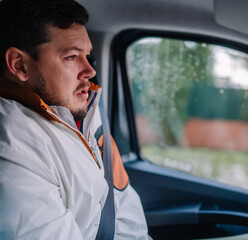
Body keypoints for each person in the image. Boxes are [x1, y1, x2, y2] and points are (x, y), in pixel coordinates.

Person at [0, 0, 149, 239]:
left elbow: (122, 208)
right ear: (20, 65)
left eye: (87, 55)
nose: (90, 71)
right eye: (71, 57)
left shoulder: (86, 112)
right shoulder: (11, 144)